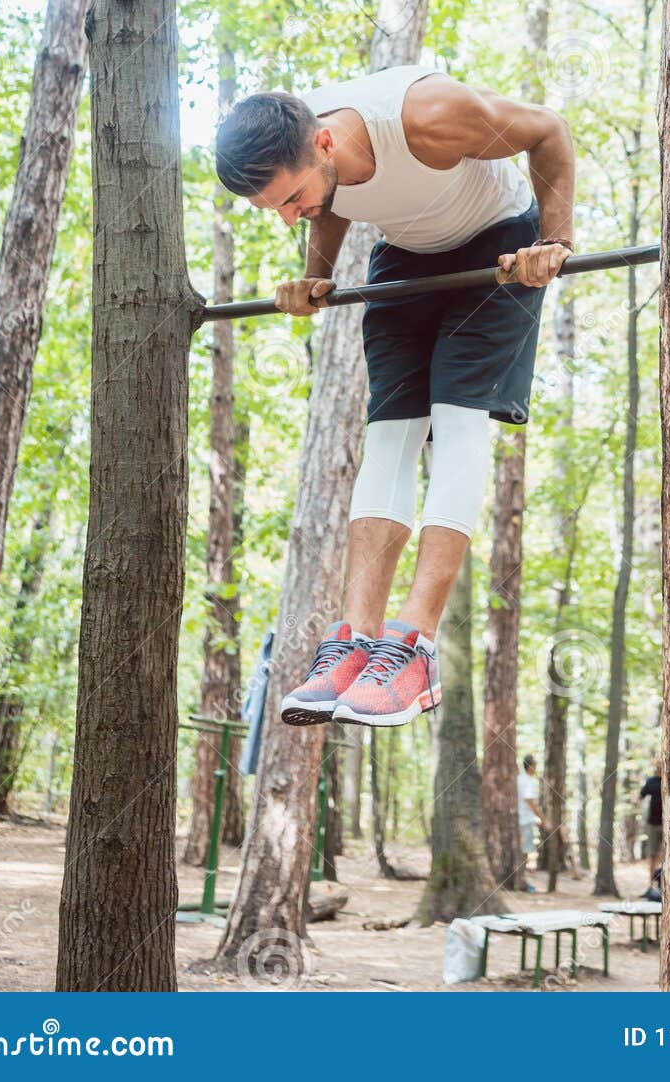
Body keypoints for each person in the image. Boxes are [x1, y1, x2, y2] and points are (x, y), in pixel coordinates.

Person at [215, 64, 575, 729]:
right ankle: (355, 641)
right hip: (406, 260)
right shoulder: (311, 157)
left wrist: (550, 241)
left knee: (456, 418)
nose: (290, 217)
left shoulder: (427, 115)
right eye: (277, 211)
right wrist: (314, 276)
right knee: (388, 434)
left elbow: (547, 131)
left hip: (496, 249)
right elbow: (329, 205)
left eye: (290, 199)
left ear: (324, 143)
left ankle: (415, 648)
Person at [517, 754, 544, 892]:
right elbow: (530, 801)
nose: (536, 767)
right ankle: (521, 881)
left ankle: (520, 879)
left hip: (519, 819)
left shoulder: (519, 779)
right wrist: (541, 817)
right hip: (525, 820)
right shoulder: (528, 781)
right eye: (535, 765)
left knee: (522, 850)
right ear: (530, 766)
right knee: (524, 851)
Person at [640, 761, 662, 896]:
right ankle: (650, 887)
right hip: (652, 824)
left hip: (667, 825)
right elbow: (640, 796)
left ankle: (663, 884)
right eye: (657, 765)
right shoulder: (651, 781)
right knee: (653, 855)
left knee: (665, 855)